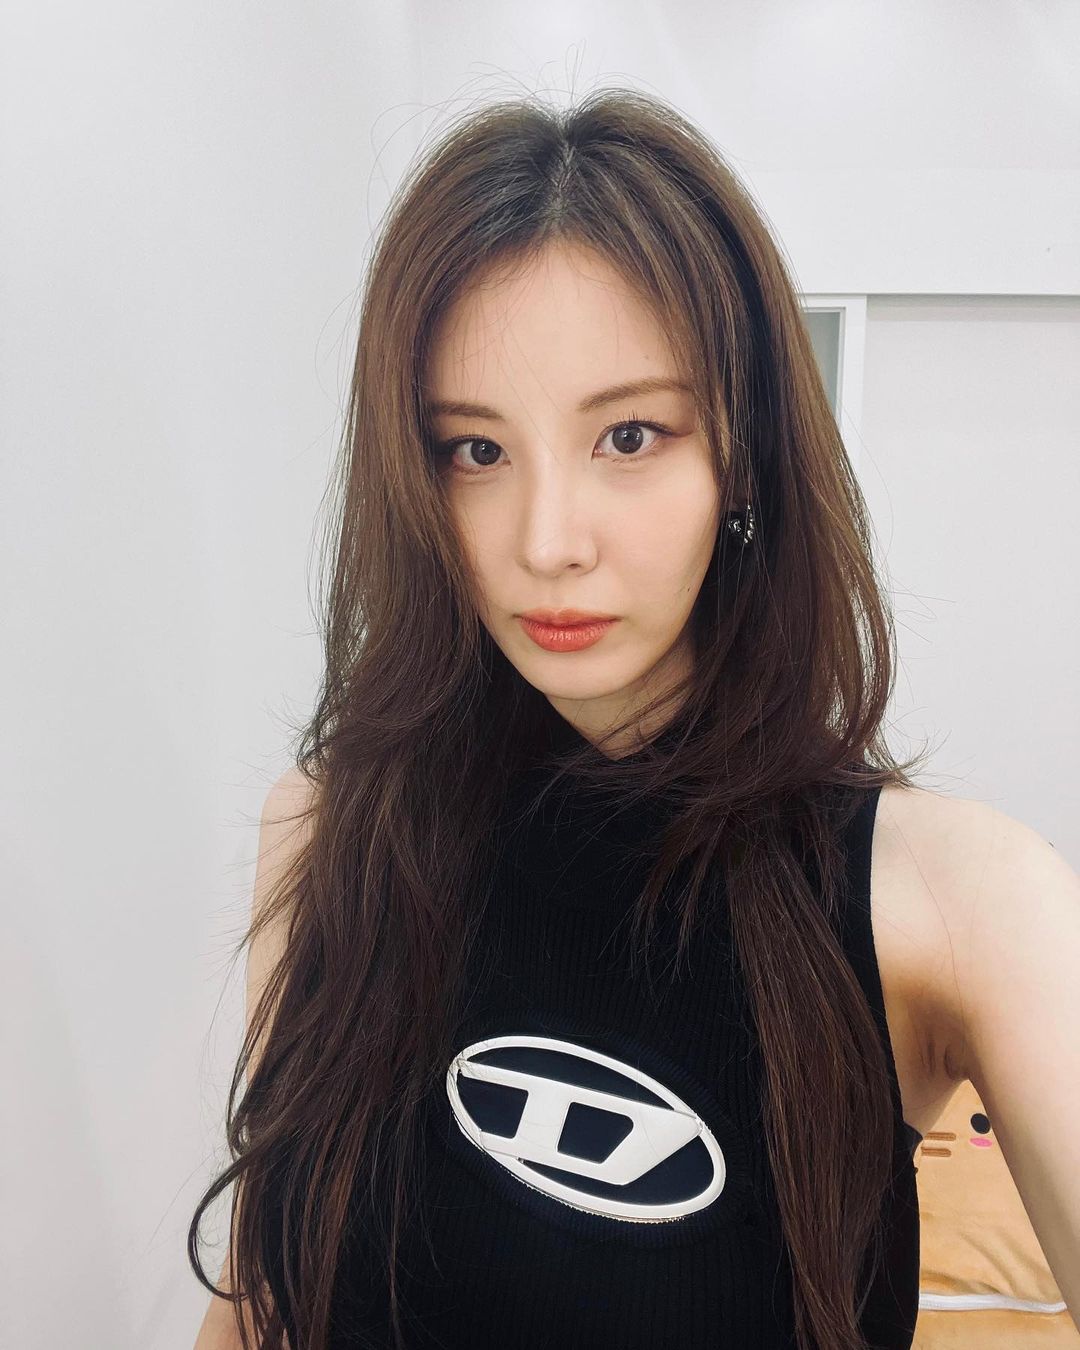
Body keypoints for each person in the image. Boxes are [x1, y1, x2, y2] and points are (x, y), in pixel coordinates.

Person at [190, 88, 1080, 1350]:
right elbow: (262, 1298)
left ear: (743, 458)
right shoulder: (330, 833)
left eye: (628, 435)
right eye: (475, 451)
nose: (548, 543)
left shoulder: (953, 896)